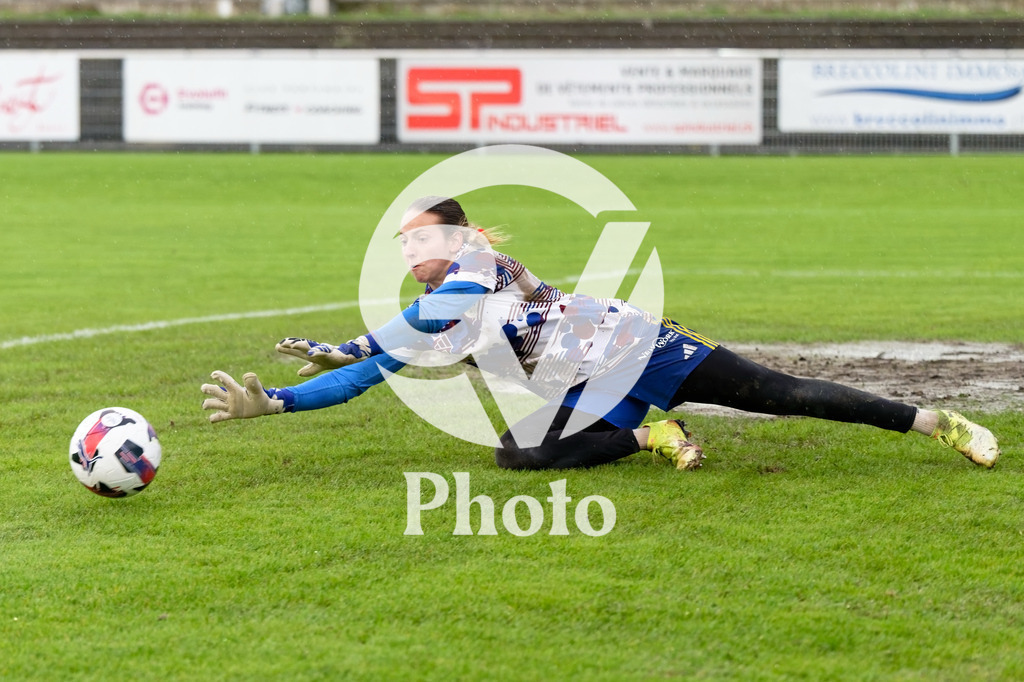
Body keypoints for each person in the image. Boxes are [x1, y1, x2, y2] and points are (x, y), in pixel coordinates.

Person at [201, 196, 1000, 471]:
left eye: (419, 238)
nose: (408, 250)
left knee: (780, 395)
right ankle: (651, 437)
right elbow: (364, 375)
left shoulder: (481, 262)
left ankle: (939, 424)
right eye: (402, 242)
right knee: (521, 453)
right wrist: (278, 404)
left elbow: (434, 320)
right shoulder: (431, 304)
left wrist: (364, 341)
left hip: (636, 348)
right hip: (591, 389)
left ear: (453, 239)